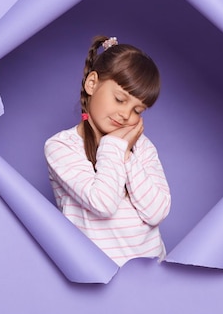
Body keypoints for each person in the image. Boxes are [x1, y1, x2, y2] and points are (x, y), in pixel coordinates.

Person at [44, 35, 171, 267]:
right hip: (97, 274)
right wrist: (114, 146)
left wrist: (126, 155)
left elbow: (157, 212)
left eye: (137, 110)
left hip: (153, 273)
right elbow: (103, 204)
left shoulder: (142, 146)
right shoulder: (62, 146)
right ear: (92, 83)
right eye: (119, 99)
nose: (126, 115)